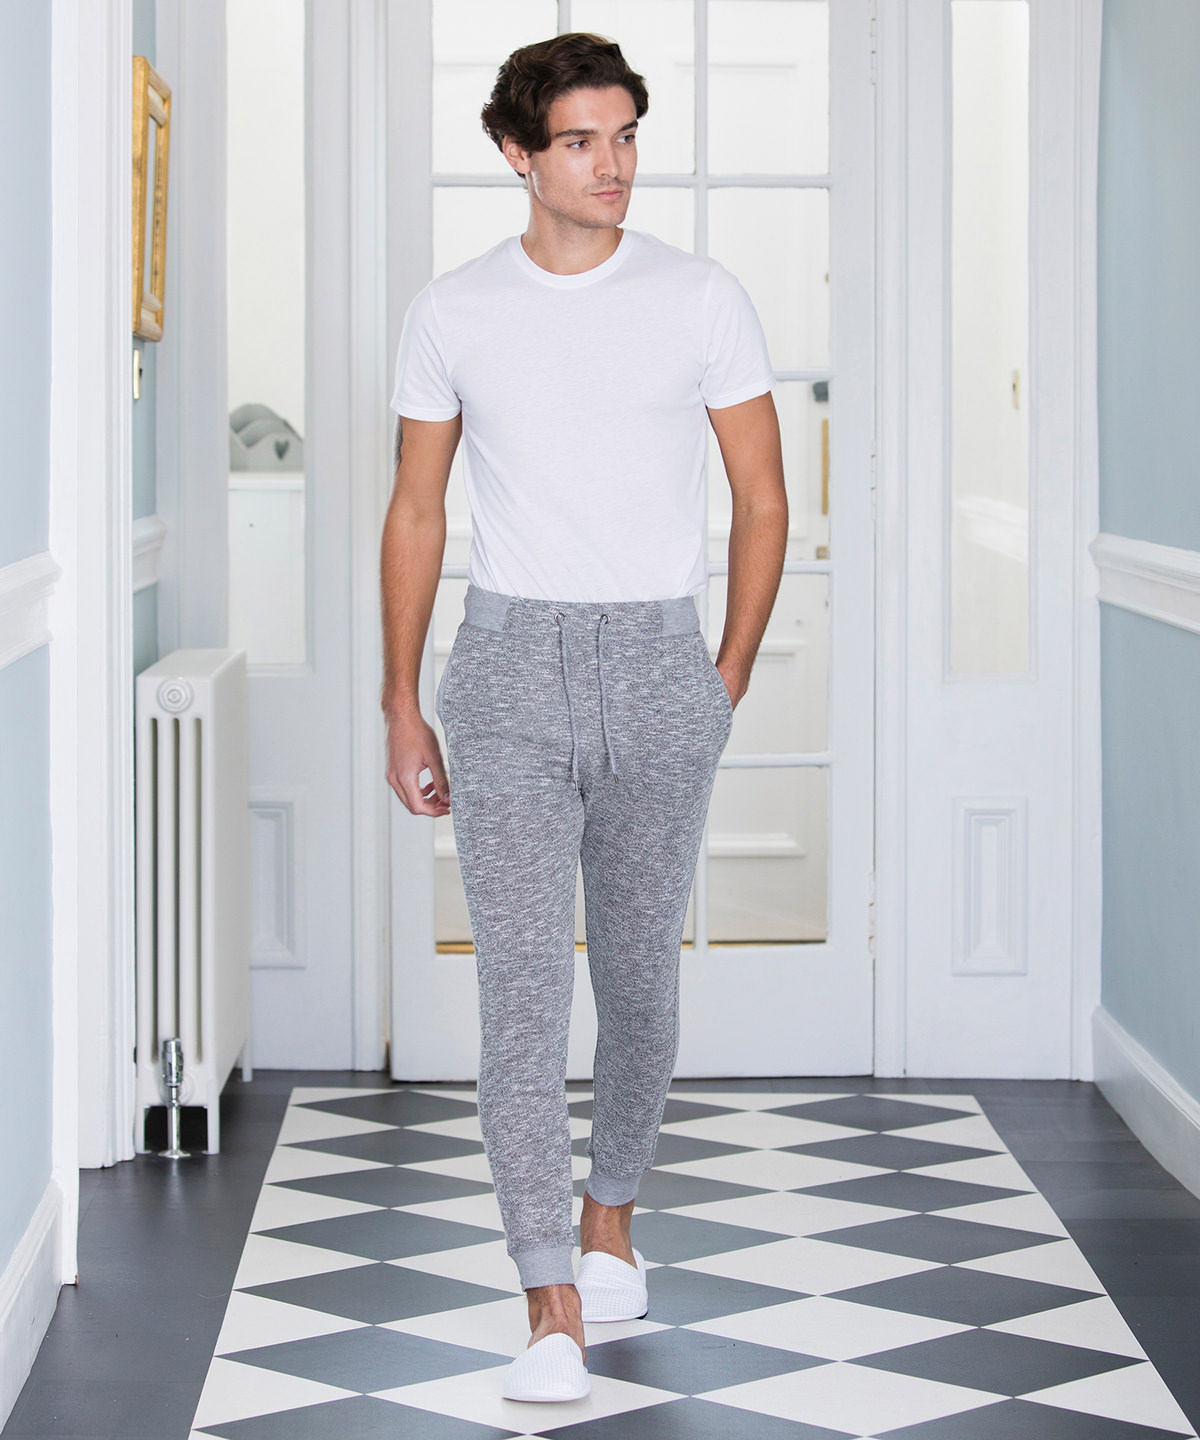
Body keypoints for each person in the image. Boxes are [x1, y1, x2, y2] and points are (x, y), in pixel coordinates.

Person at [381, 31, 786, 1404]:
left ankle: (611, 1217)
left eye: (624, 138)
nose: (611, 166)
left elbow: (763, 499)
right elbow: (417, 511)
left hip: (662, 663)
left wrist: (723, 677)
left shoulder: (702, 298)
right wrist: (400, 698)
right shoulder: (453, 311)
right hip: (507, 670)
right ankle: (548, 1297)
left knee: (641, 980)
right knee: (520, 991)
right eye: (579, 142)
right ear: (518, 153)